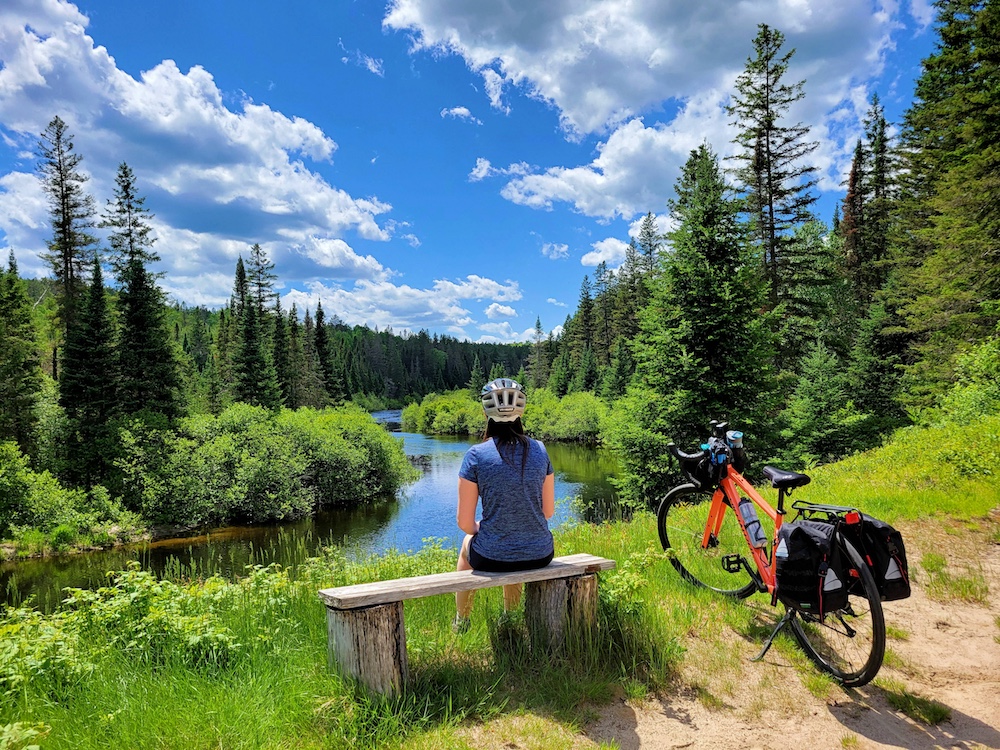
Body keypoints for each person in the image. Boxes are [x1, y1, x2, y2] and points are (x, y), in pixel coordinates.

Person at [454, 378, 556, 633]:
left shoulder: (476, 455)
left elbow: (465, 524)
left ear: (485, 412)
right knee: (517, 545)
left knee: (466, 545)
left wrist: (484, 527)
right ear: (521, 411)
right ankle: (509, 618)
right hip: (541, 554)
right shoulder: (541, 450)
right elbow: (548, 512)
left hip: (492, 556)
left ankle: (462, 621)